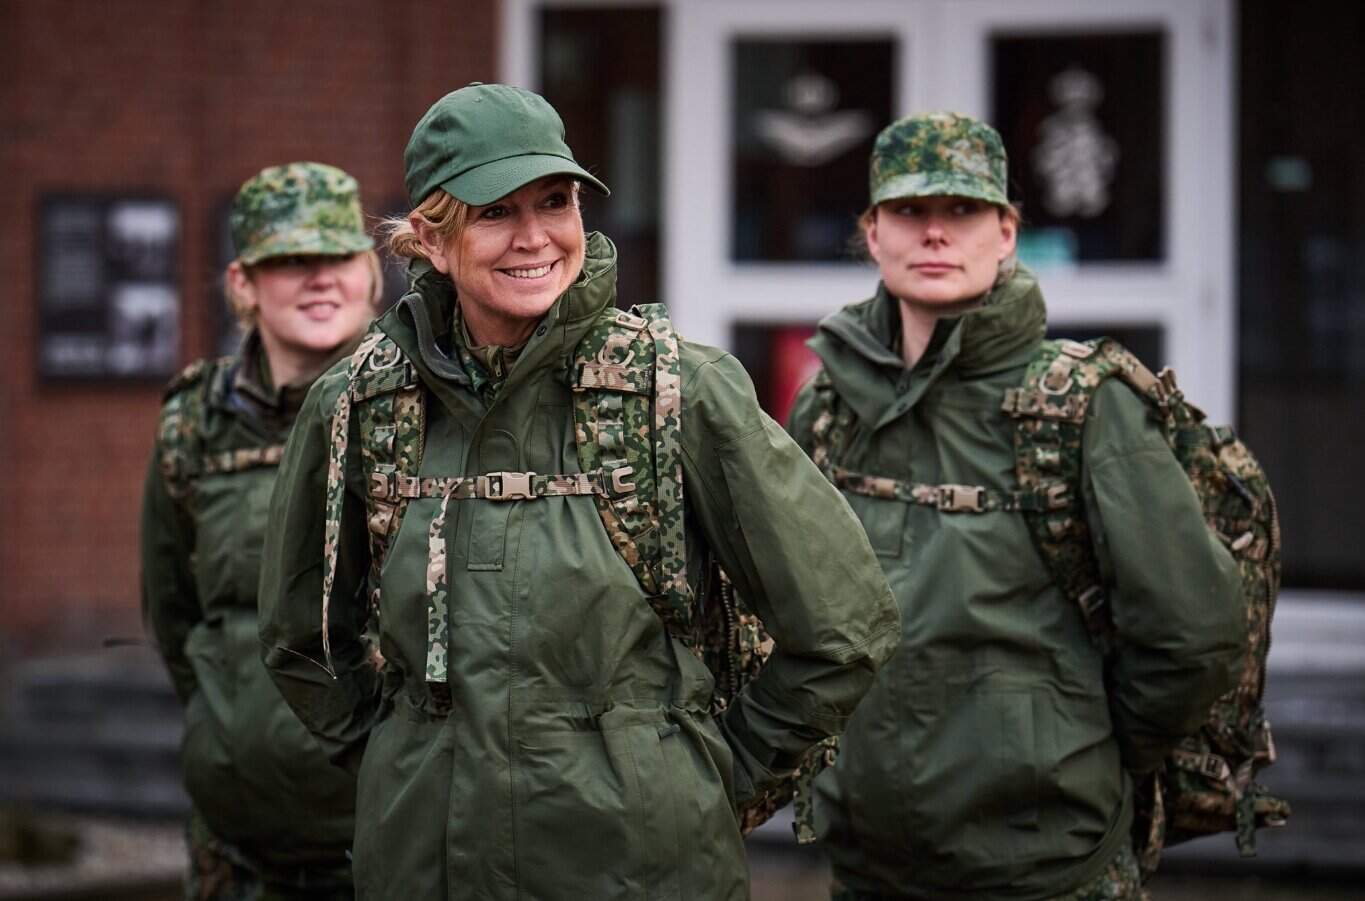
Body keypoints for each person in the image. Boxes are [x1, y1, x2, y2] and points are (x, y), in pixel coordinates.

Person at [256, 82, 899, 901]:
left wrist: (704, 775)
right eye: (495, 212)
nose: (535, 237)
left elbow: (844, 625)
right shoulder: (358, 403)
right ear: (429, 237)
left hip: (646, 867)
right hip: (423, 864)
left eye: (554, 202)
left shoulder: (680, 388)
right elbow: (299, 635)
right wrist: (404, 756)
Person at [786, 112, 1246, 900]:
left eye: (961, 211)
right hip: (868, 862)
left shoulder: (1081, 405)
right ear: (871, 232)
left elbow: (1192, 636)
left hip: (1044, 868)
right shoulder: (830, 404)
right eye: (908, 211)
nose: (934, 233)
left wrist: (1077, 750)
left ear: (1005, 233)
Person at [142, 161, 382, 900]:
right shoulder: (195, 423)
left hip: (386, 848)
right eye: (290, 260)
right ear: (243, 282)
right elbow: (177, 609)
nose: (319, 278)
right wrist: (230, 724)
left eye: (337, 255)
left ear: (370, 273)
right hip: (238, 858)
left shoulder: (422, 405)